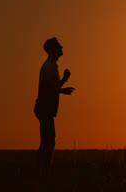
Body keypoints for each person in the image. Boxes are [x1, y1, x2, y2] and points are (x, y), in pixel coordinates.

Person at [34, 37, 75, 175]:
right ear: (52, 50)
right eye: (58, 46)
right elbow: (48, 88)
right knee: (48, 142)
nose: (62, 47)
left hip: (46, 108)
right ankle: (43, 172)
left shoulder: (51, 66)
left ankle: (43, 171)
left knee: (47, 141)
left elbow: (53, 87)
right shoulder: (48, 66)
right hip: (45, 108)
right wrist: (62, 90)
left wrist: (64, 79)